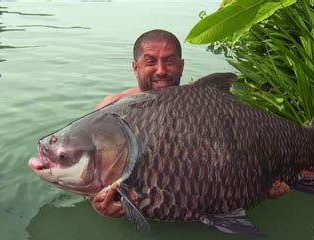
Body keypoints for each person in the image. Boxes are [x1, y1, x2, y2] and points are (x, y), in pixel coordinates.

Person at [91, 29, 291, 218]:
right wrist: (97, 202)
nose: (161, 70)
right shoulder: (110, 108)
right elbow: (87, 170)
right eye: (151, 61)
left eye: (169, 61)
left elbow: (238, 157)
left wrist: (263, 185)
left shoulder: (207, 109)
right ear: (136, 67)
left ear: (182, 66)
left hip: (207, 211)